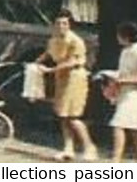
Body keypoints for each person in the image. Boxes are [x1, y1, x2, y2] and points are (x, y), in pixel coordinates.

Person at [37, 10, 97, 162]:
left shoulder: (76, 41)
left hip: (75, 79)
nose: (61, 26)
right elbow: (48, 54)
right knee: (63, 116)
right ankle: (68, 148)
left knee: (73, 117)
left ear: (70, 25)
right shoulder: (53, 40)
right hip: (61, 79)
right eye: (58, 23)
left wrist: (50, 70)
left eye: (64, 23)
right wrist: (35, 63)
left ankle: (89, 147)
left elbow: (71, 62)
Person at [109, 22, 137, 163]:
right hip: (125, 94)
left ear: (125, 36)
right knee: (135, 131)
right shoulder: (125, 51)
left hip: (136, 95)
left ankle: (115, 160)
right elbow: (124, 71)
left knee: (118, 124)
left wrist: (123, 81)